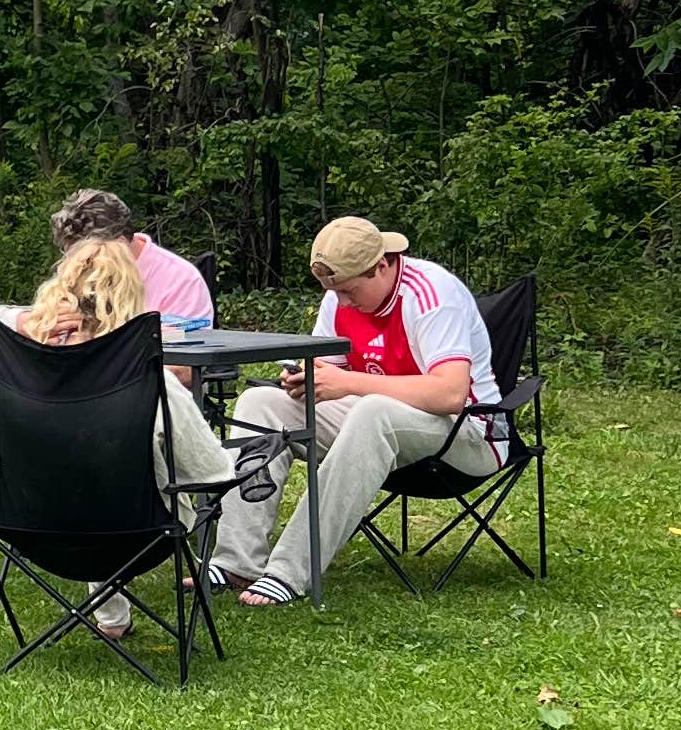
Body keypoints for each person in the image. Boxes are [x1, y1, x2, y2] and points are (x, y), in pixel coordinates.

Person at [211, 216, 499, 607]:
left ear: (381, 265)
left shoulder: (432, 295)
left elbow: (450, 394)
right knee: (261, 404)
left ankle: (290, 572)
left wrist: (349, 384)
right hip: (382, 426)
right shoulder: (338, 295)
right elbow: (328, 370)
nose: (342, 302)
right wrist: (305, 379)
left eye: (349, 291)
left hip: (469, 433)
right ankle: (234, 562)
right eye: (334, 292)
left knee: (373, 411)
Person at [0, 231, 233, 636]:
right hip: (139, 532)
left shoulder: (13, 370)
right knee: (129, 471)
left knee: (83, 466)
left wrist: (29, 322)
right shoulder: (151, 385)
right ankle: (112, 614)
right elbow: (210, 474)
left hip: (31, 522)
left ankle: (111, 617)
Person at [52, 185, 212, 327]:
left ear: (119, 244)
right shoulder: (74, 271)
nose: (78, 265)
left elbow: (182, 359)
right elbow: (40, 320)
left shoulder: (181, 281)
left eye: (87, 258)